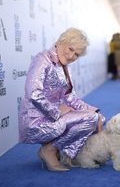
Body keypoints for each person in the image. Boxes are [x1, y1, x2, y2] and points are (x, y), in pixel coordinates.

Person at [19, 28, 105, 171]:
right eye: (71, 49)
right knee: (91, 119)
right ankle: (50, 150)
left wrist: (94, 111)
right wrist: (57, 112)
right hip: (36, 119)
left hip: (53, 117)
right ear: (61, 41)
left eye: (76, 54)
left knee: (99, 118)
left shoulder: (64, 66)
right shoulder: (43, 59)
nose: (71, 56)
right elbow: (33, 93)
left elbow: (70, 97)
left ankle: (70, 153)